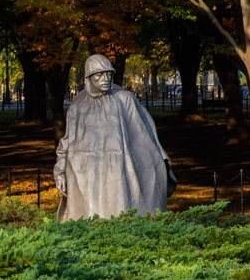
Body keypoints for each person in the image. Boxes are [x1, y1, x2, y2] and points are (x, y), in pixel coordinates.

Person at [54, 54, 175, 221]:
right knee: (87, 219)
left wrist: (158, 165)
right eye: (99, 75)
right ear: (88, 78)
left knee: (120, 214)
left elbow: (144, 136)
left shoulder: (123, 99)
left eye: (109, 74)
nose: (105, 79)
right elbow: (67, 142)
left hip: (118, 173)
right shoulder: (77, 105)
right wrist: (60, 170)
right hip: (84, 176)